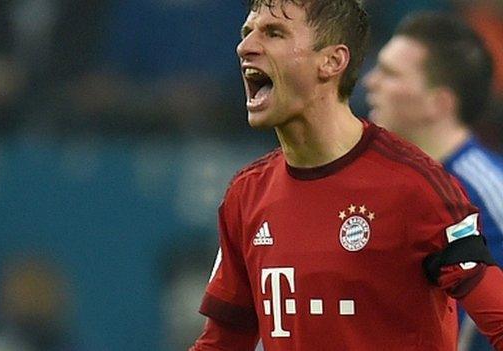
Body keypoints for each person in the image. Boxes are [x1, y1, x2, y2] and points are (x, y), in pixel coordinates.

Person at [188, 1, 503, 350]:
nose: (245, 47)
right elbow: (223, 341)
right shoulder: (246, 196)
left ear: (332, 61)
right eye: (247, 32)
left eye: (274, 33)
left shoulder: (416, 187)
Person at [364, 11, 503, 351]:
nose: (370, 81)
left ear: (438, 103)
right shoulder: (376, 183)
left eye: (390, 73)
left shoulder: (486, 195)